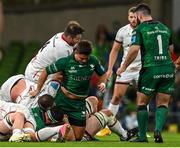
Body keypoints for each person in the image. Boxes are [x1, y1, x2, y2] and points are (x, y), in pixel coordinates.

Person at [117, 3, 176, 143]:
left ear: (139, 15)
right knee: (163, 103)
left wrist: (123, 67)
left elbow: (133, 50)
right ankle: (157, 131)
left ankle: (142, 137)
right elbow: (171, 49)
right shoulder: (164, 28)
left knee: (142, 102)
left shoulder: (140, 29)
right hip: (167, 68)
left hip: (150, 69)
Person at [30, 40, 107, 141]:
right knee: (66, 135)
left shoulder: (93, 61)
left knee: (78, 138)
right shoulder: (65, 62)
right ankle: (56, 131)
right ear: (76, 52)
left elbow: (103, 74)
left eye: (86, 58)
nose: (84, 60)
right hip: (63, 101)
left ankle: (72, 127)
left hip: (79, 104)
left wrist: (103, 83)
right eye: (81, 58)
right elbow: (46, 71)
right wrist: (37, 90)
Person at [99, 6, 139, 138]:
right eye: (131, 17)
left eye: (135, 16)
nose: (133, 19)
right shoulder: (122, 31)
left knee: (143, 100)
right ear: (128, 17)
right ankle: (106, 126)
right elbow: (115, 50)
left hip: (142, 68)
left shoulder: (144, 30)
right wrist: (110, 69)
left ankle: (142, 130)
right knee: (116, 97)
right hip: (125, 69)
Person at [25, 20, 84, 85]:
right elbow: (63, 71)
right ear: (69, 37)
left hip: (33, 67)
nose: (79, 41)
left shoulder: (61, 34)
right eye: (77, 39)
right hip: (35, 75)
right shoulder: (62, 49)